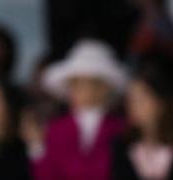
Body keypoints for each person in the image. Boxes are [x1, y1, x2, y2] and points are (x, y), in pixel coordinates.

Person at [29, 38, 129, 180]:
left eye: (82, 84)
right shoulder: (57, 128)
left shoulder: (121, 127)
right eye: (72, 84)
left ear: (101, 87)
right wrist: (37, 149)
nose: (74, 90)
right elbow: (46, 174)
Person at [110, 58, 173, 180]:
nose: (132, 107)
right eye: (130, 100)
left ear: (161, 102)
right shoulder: (122, 146)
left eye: (140, 100)